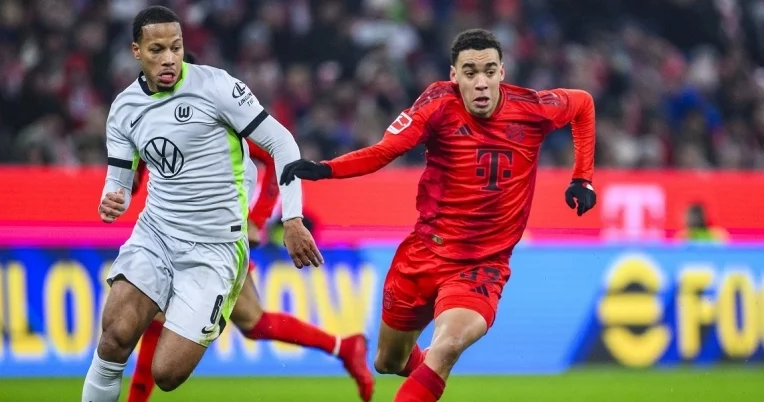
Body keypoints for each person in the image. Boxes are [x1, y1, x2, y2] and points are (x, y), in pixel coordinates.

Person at [280, 28, 597, 402]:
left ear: (502, 72)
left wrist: (582, 178)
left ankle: (432, 372)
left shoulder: (532, 108)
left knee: (446, 347)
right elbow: (385, 150)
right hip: (423, 255)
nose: (481, 82)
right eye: (470, 72)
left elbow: (583, 104)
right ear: (454, 75)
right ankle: (425, 377)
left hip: (482, 265)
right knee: (389, 361)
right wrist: (326, 169)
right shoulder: (436, 105)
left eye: (489, 71)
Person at [83, 6, 322, 402]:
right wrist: (114, 199)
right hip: (156, 234)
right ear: (136, 51)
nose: (169, 58)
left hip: (216, 247)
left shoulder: (217, 87)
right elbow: (120, 180)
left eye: (176, 47)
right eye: (157, 50)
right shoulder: (124, 108)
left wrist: (293, 219)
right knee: (114, 337)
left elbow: (283, 143)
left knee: (167, 373)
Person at [127, 144, 373, 402]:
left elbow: (276, 154)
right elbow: (148, 138)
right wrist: (133, 171)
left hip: (215, 232)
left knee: (160, 312)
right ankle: (344, 347)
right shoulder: (161, 121)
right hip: (190, 226)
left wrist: (258, 218)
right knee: (255, 322)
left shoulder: (221, 120)